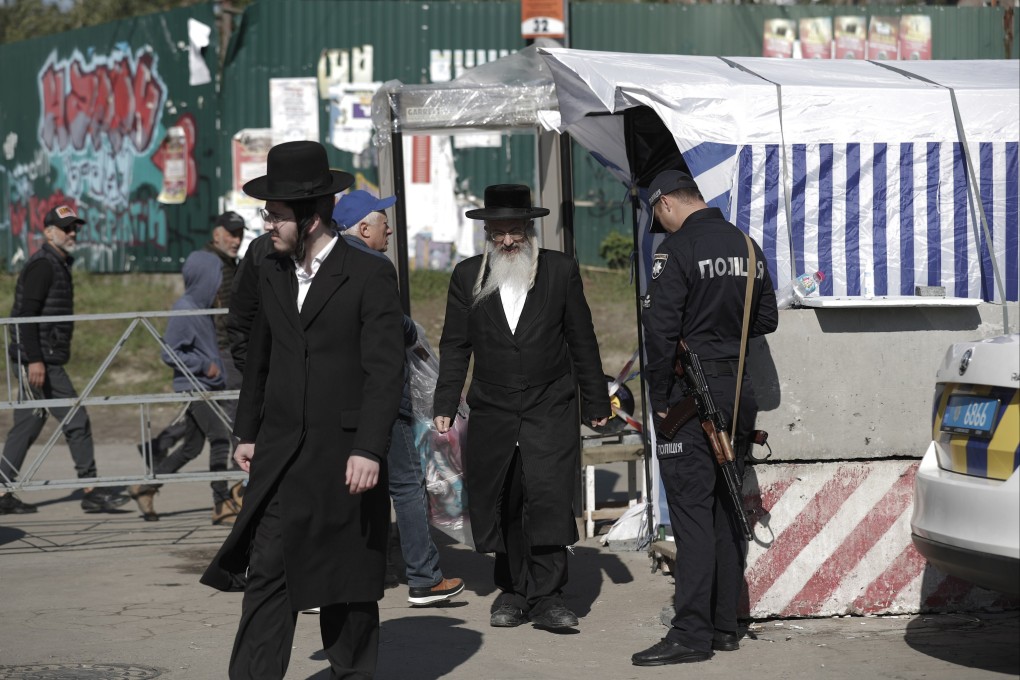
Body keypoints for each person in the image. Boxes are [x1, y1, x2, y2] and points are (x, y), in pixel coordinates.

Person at [200, 141, 405, 679]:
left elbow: (385, 372)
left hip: (344, 458)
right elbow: (261, 355)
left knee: (347, 584)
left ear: (311, 217)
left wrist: (368, 447)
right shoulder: (269, 267)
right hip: (281, 453)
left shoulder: (368, 275)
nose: (267, 223)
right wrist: (246, 432)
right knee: (268, 571)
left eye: (276, 214)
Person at [432, 184, 610, 631]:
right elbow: (455, 346)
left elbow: (581, 339)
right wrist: (445, 403)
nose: (507, 241)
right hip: (493, 408)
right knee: (504, 500)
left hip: (550, 405)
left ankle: (549, 596)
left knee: (547, 498)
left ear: (530, 230)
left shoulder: (560, 270)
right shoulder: (466, 275)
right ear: (486, 234)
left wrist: (596, 399)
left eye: (515, 232)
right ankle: (510, 590)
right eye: (498, 233)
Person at [631, 170, 778, 667]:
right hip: (737, 392)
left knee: (692, 515)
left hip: (688, 395)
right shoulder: (747, 244)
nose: (660, 223)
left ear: (667, 203)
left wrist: (659, 398)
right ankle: (724, 624)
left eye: (658, 214)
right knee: (725, 510)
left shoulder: (675, 251)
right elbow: (766, 320)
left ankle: (690, 632)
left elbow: (659, 331)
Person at [335, 189, 465, 606]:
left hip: (341, 396)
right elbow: (387, 329)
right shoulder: (374, 264)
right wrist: (411, 332)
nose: (389, 227)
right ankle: (424, 577)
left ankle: (351, 574)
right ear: (363, 227)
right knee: (407, 486)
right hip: (384, 395)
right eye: (383, 219)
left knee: (355, 485)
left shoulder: (330, 264)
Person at [0, 205, 129, 515]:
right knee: (76, 418)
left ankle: (3, 492)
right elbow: (26, 316)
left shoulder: (58, 263)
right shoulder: (43, 265)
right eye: (66, 228)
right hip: (38, 359)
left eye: (75, 228)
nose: (73, 233)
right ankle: (91, 490)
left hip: (40, 356)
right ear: (48, 232)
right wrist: (35, 360)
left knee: (28, 424)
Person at [127, 251, 237, 524]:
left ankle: (146, 487)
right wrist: (203, 365)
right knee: (221, 439)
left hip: (208, 386)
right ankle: (221, 502)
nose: (218, 284)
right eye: (216, 278)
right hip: (195, 387)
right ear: (204, 279)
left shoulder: (202, 308)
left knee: (191, 448)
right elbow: (169, 352)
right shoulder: (185, 309)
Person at [140, 212, 246, 465]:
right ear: (217, 234)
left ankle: (158, 450)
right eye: (231, 234)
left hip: (228, 345)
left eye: (240, 235)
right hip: (220, 347)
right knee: (230, 407)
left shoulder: (229, 262)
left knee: (208, 413)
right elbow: (202, 312)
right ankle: (232, 474)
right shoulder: (210, 265)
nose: (236, 240)